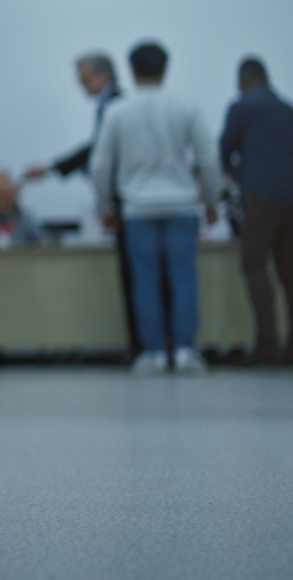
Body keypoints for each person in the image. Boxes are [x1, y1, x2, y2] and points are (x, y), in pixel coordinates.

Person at [90, 41, 227, 376]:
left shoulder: (117, 111)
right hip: (181, 204)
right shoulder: (186, 106)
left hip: (137, 209)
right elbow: (208, 159)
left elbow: (100, 165)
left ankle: (151, 353)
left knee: (145, 281)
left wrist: (106, 205)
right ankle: (182, 351)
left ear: (131, 71)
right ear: (166, 68)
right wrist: (212, 200)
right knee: (183, 277)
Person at [24, 52, 147, 354]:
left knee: (137, 278)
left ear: (102, 76)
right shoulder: (111, 103)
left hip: (127, 200)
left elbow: (100, 153)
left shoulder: (116, 104)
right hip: (128, 198)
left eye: (83, 78)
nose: (80, 85)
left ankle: (144, 346)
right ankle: (143, 344)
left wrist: (54, 168)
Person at [219, 57, 293, 366]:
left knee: (254, 264)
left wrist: (239, 175)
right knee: (289, 272)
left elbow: (223, 152)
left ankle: (267, 344)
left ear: (242, 80)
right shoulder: (292, 111)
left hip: (260, 197)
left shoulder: (242, 108)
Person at [0, 172, 46, 248]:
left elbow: (43, 242)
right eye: (0, 195)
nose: (4, 200)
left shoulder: (24, 218)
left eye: (7, 196)